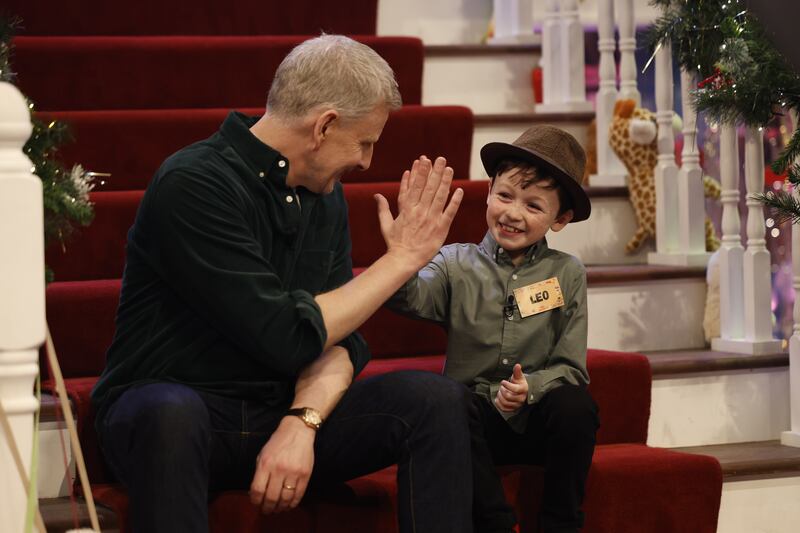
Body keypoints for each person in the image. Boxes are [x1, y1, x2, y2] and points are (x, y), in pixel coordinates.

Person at [91, 34, 477, 533]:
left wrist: (302, 423)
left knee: (434, 401)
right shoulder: (193, 183)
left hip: (280, 411)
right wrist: (400, 260)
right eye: (364, 142)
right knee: (172, 411)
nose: (365, 161)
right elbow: (285, 335)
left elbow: (339, 338)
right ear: (324, 126)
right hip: (180, 413)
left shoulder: (324, 194)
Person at [388, 125, 600, 533]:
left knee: (577, 406)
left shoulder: (567, 272)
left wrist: (531, 388)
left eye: (534, 206)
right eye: (505, 196)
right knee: (448, 403)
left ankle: (560, 523)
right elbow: (411, 297)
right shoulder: (454, 262)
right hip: (474, 424)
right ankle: (496, 523)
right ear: (488, 192)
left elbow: (572, 369)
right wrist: (403, 258)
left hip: (534, 417)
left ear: (561, 219)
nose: (513, 213)